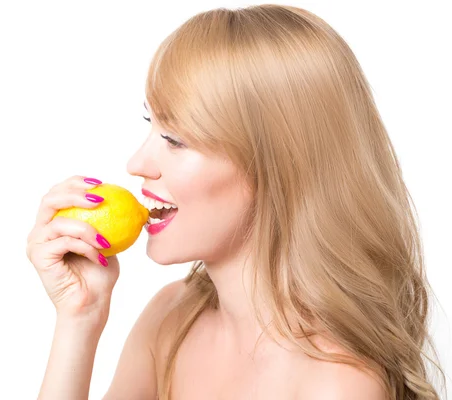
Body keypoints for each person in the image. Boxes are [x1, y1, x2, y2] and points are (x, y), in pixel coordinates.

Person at [26, 4, 445, 399]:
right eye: (150, 124)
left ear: (279, 165)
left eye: (175, 139)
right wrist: (79, 317)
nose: (137, 164)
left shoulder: (337, 383)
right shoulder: (170, 318)